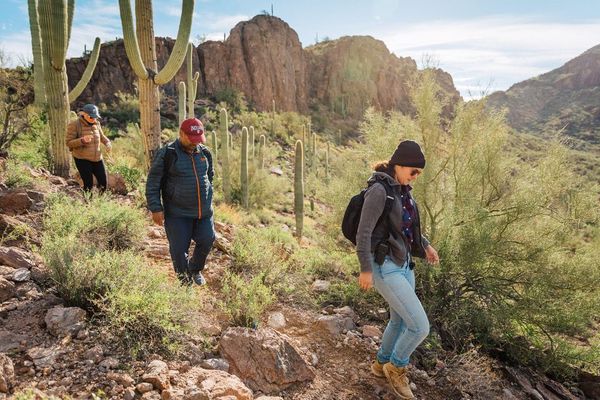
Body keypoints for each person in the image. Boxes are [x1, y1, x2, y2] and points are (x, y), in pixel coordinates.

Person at [356, 140, 439, 400]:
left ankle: (381, 365)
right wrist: (365, 269)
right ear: (399, 165)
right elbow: (363, 232)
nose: (415, 177)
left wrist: (425, 245)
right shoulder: (380, 190)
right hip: (384, 267)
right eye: (413, 171)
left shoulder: (404, 191)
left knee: (400, 320)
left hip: (403, 265)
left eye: (418, 174)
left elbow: (408, 228)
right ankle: (397, 366)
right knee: (420, 327)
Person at [145, 118, 215, 286]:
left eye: (198, 140)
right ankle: (184, 281)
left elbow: (209, 176)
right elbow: (153, 182)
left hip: (203, 212)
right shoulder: (168, 153)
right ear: (181, 134)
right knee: (178, 250)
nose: (195, 143)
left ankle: (195, 269)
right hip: (177, 213)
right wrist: (156, 208)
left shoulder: (204, 153)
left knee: (207, 239)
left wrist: (209, 196)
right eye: (191, 139)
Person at [66, 103, 112, 192]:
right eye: (91, 117)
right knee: (88, 185)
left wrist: (108, 143)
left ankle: (100, 202)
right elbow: (68, 143)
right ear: (84, 114)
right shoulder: (75, 125)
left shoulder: (96, 124)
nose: (94, 119)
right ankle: (88, 204)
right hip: (82, 159)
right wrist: (82, 140)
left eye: (95, 117)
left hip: (98, 158)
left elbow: (102, 137)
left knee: (103, 183)